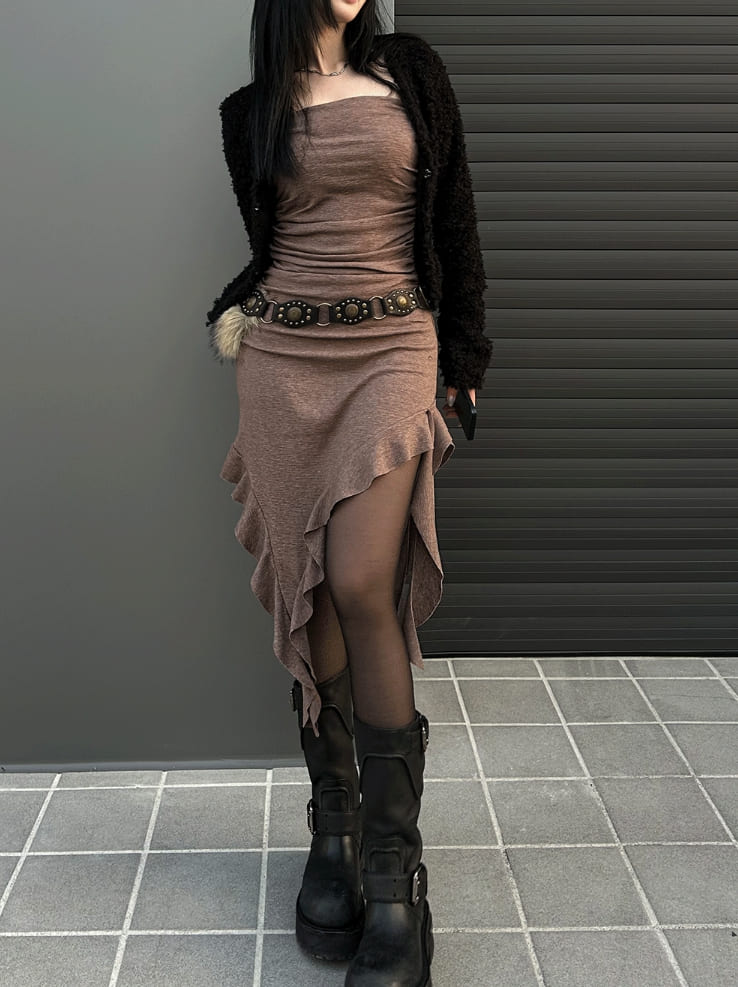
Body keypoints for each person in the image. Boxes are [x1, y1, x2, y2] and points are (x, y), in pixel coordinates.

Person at [205, 2, 492, 984]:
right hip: (284, 362)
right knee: (312, 592)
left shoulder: (410, 71)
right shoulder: (250, 112)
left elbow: (454, 218)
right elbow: (273, 242)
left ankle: (394, 876)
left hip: (393, 348)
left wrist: (465, 355)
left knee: (365, 582)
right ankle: (333, 832)